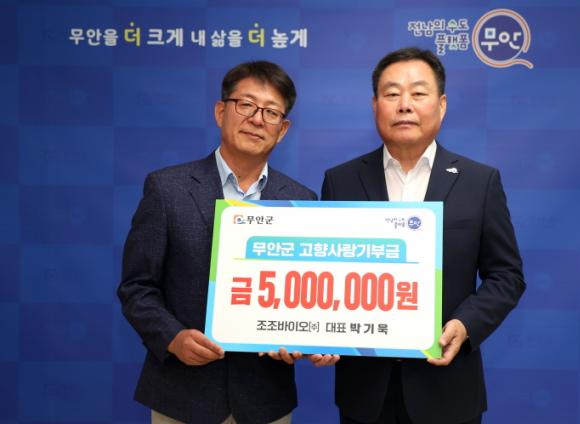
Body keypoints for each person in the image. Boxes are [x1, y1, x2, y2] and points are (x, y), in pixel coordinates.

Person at [321, 47, 526, 424]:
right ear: (375, 105)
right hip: (365, 394)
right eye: (391, 93)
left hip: (448, 390)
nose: (404, 105)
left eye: (418, 93)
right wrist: (319, 333)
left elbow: (506, 275)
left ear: (441, 105)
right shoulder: (341, 181)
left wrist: (465, 325)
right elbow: (326, 273)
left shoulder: (479, 182)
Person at [118, 60, 317, 424]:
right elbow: (137, 287)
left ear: (283, 130)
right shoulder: (167, 189)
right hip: (182, 395)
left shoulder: (302, 201)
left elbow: (307, 296)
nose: (257, 119)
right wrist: (173, 337)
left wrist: (304, 338)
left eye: (271, 112)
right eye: (246, 105)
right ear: (221, 112)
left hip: (265, 400)